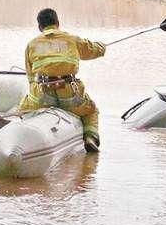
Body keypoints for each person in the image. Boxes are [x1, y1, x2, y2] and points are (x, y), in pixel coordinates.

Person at [18, 8, 106, 152]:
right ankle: (90, 137)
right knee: (91, 110)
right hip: (69, 93)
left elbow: (30, 78)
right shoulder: (72, 40)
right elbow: (95, 50)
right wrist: (102, 46)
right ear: (58, 23)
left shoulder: (31, 45)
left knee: (22, 110)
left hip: (42, 94)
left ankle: (25, 137)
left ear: (40, 27)